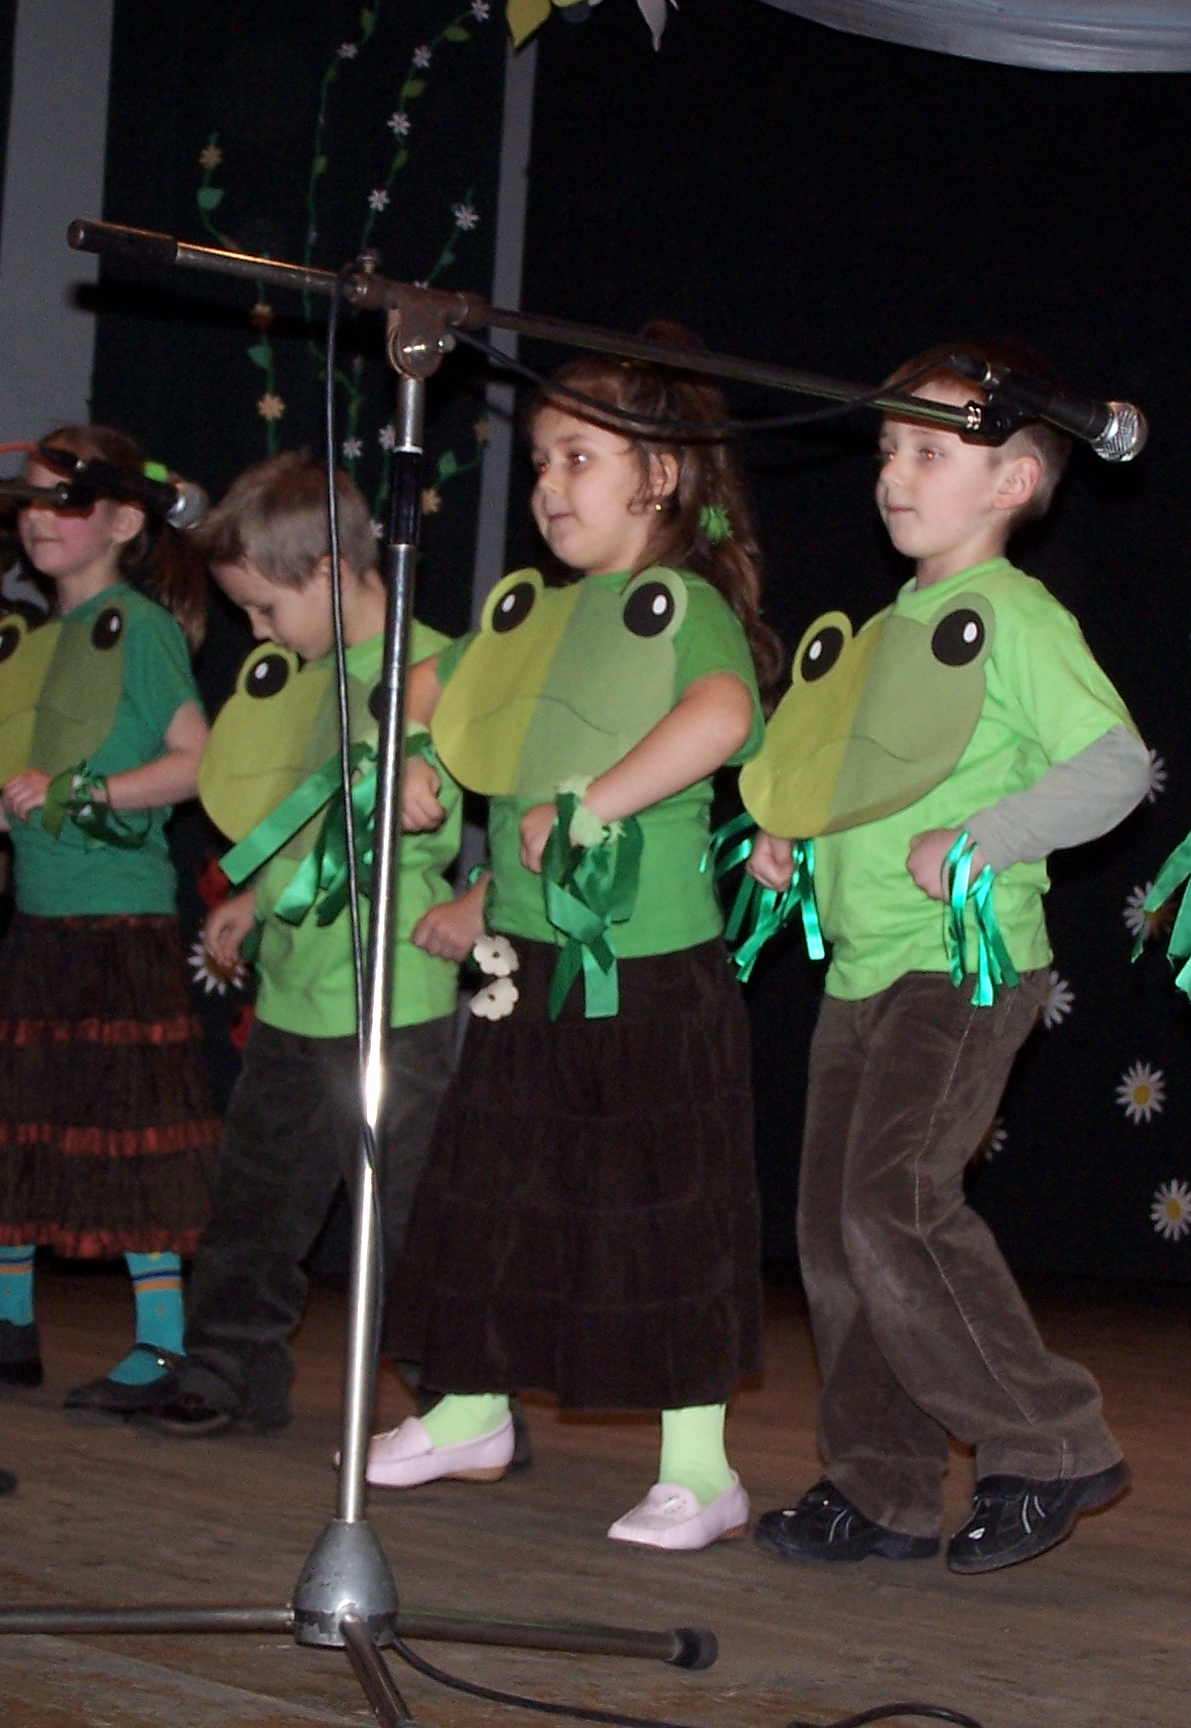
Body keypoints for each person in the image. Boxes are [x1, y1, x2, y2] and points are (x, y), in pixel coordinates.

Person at [742, 339, 1148, 1573]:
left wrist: (983, 837)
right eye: (887, 450)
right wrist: (796, 837)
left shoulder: (1015, 618)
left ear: (1013, 482)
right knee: (835, 1233)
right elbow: (866, 782)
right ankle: (884, 1488)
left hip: (962, 969)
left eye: (928, 451)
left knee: (895, 1202)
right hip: (862, 973)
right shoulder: (886, 632)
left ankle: (1050, 1440)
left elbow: (1116, 766)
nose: (893, 474)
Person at [375, 334, 781, 1552]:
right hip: (522, 963)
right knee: (490, 1187)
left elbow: (723, 715)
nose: (549, 485)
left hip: (646, 967)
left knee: (661, 1208)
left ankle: (700, 1470)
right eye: (542, 461)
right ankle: (469, 1411)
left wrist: (596, 802)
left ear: (661, 474)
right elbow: (435, 690)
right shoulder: (532, 612)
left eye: (580, 458)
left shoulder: (686, 605)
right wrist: (420, 758)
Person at [150, 450, 460, 1437]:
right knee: (254, 1201)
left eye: (264, 608)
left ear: (329, 570)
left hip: (393, 992)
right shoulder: (303, 681)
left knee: (410, 1218)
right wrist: (254, 896)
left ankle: (461, 1402)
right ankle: (229, 1368)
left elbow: (446, 803)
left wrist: (428, 796)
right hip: (292, 988)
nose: (257, 632)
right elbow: (301, 815)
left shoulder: (437, 668)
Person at [0, 425, 219, 1418]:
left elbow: (197, 764)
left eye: (67, 499)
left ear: (125, 522)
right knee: (11, 1115)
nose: (41, 517)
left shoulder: (143, 627)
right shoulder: (33, 643)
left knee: (132, 1131)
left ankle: (163, 1343)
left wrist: (89, 792)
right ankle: (6, 1323)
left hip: (119, 924)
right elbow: (31, 798)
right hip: (41, 923)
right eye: (32, 499)